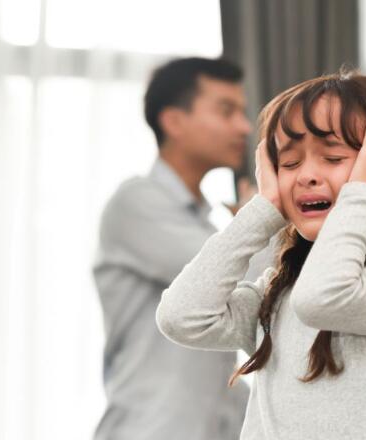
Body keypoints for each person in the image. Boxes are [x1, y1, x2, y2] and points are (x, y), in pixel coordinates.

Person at [156, 72, 366, 439]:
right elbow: (181, 316)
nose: (306, 176)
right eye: (289, 163)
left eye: (333, 157)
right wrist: (263, 209)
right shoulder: (278, 289)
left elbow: (322, 300)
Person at [93, 57, 254, 440]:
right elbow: (245, 280)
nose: (244, 127)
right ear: (174, 121)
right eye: (226, 111)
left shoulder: (203, 221)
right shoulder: (137, 204)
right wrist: (259, 221)